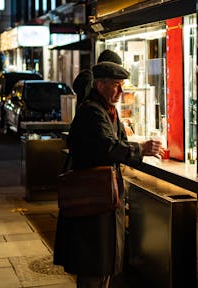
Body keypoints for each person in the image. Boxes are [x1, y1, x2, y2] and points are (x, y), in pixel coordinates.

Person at [53, 61, 163, 287]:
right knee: (94, 261)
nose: (121, 91)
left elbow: (118, 142)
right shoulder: (92, 111)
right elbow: (108, 146)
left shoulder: (106, 110)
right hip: (93, 199)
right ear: (100, 85)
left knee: (103, 261)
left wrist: (136, 148)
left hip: (103, 198)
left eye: (122, 85)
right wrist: (140, 149)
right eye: (116, 85)